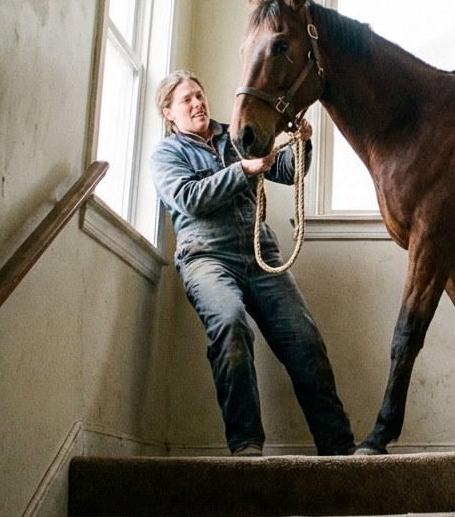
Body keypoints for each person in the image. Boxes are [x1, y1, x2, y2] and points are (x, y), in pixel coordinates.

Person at [150, 70, 356, 457]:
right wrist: (243, 169)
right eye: (186, 100)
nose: (197, 103)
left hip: (260, 255)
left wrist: (302, 144)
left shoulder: (237, 135)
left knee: (305, 340)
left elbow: (289, 171)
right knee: (230, 325)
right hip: (206, 259)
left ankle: (339, 448)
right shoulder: (166, 155)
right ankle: (246, 446)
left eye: (199, 94)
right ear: (169, 113)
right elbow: (190, 199)